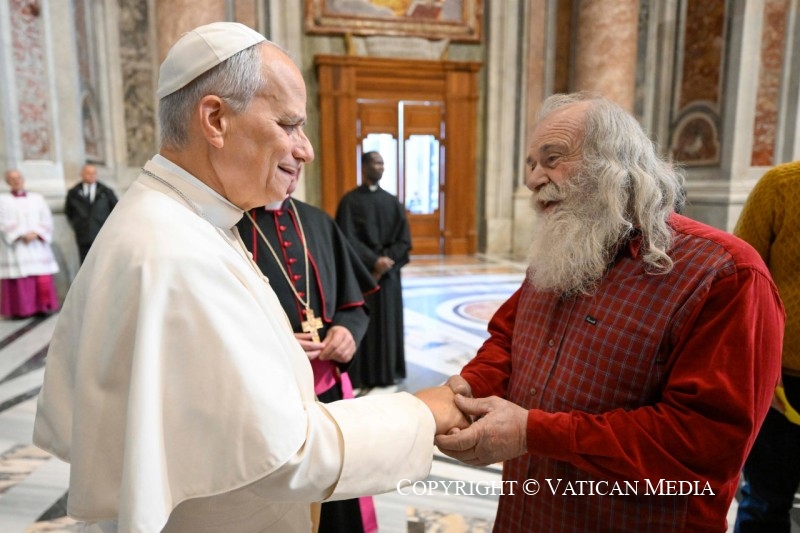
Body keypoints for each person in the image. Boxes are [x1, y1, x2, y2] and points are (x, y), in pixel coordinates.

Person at [33, 22, 467, 533]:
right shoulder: (173, 251)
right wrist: (423, 413)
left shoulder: (187, 220)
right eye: (288, 124)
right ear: (214, 118)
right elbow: (284, 454)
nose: (304, 149)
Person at [434, 92, 785, 532]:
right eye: (530, 164)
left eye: (552, 158)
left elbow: (705, 443)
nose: (533, 179)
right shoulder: (563, 248)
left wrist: (534, 432)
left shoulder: (725, 275)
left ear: (614, 163)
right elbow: (509, 337)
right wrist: (472, 383)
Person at [236, 182, 380, 532]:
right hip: (268, 394)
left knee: (337, 498)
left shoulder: (317, 221)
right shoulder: (228, 226)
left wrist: (347, 332)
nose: (300, 155)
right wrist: (274, 342)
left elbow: (352, 305)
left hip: (328, 390)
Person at [732, 160, 800, 533]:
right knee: (764, 501)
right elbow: (741, 282)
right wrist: (759, 369)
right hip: (780, 384)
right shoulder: (782, 186)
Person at [335, 151, 411, 388]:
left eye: (382, 163)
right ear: (364, 166)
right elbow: (345, 238)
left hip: (387, 279)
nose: (381, 167)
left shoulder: (392, 202)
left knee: (388, 324)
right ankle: (364, 374)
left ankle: (388, 371)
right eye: (376, 162)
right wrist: (372, 261)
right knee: (366, 325)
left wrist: (386, 261)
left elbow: (404, 240)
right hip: (361, 276)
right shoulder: (349, 202)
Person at [0, 169, 60, 318]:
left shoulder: (37, 198)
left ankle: (43, 306)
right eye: (12, 179)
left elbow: (46, 218)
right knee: (21, 278)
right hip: (18, 246)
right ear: (8, 182)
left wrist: (37, 233)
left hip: (37, 244)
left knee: (41, 276)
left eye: (18, 177)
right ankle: (22, 310)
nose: (16, 181)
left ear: (23, 179)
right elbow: (3, 221)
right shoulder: (2, 200)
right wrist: (21, 234)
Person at [64, 163, 118, 263]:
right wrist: (78, 225)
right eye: (88, 173)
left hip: (102, 234)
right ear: (82, 174)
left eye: (93, 173)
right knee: (85, 263)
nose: (91, 175)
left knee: (102, 262)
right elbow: (69, 212)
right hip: (83, 236)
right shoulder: (74, 193)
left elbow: (116, 210)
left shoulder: (106, 192)